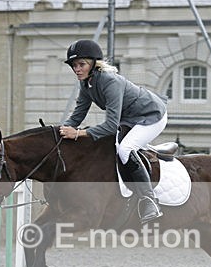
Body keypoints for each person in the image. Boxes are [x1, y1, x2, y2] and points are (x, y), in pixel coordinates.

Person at [59, 39, 166, 224]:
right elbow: (77, 117)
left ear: (94, 64)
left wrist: (77, 134)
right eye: (74, 65)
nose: (77, 69)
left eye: (81, 64)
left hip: (151, 115)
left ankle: (149, 200)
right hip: (129, 118)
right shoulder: (86, 84)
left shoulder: (110, 81)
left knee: (125, 149)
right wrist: (57, 132)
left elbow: (110, 126)